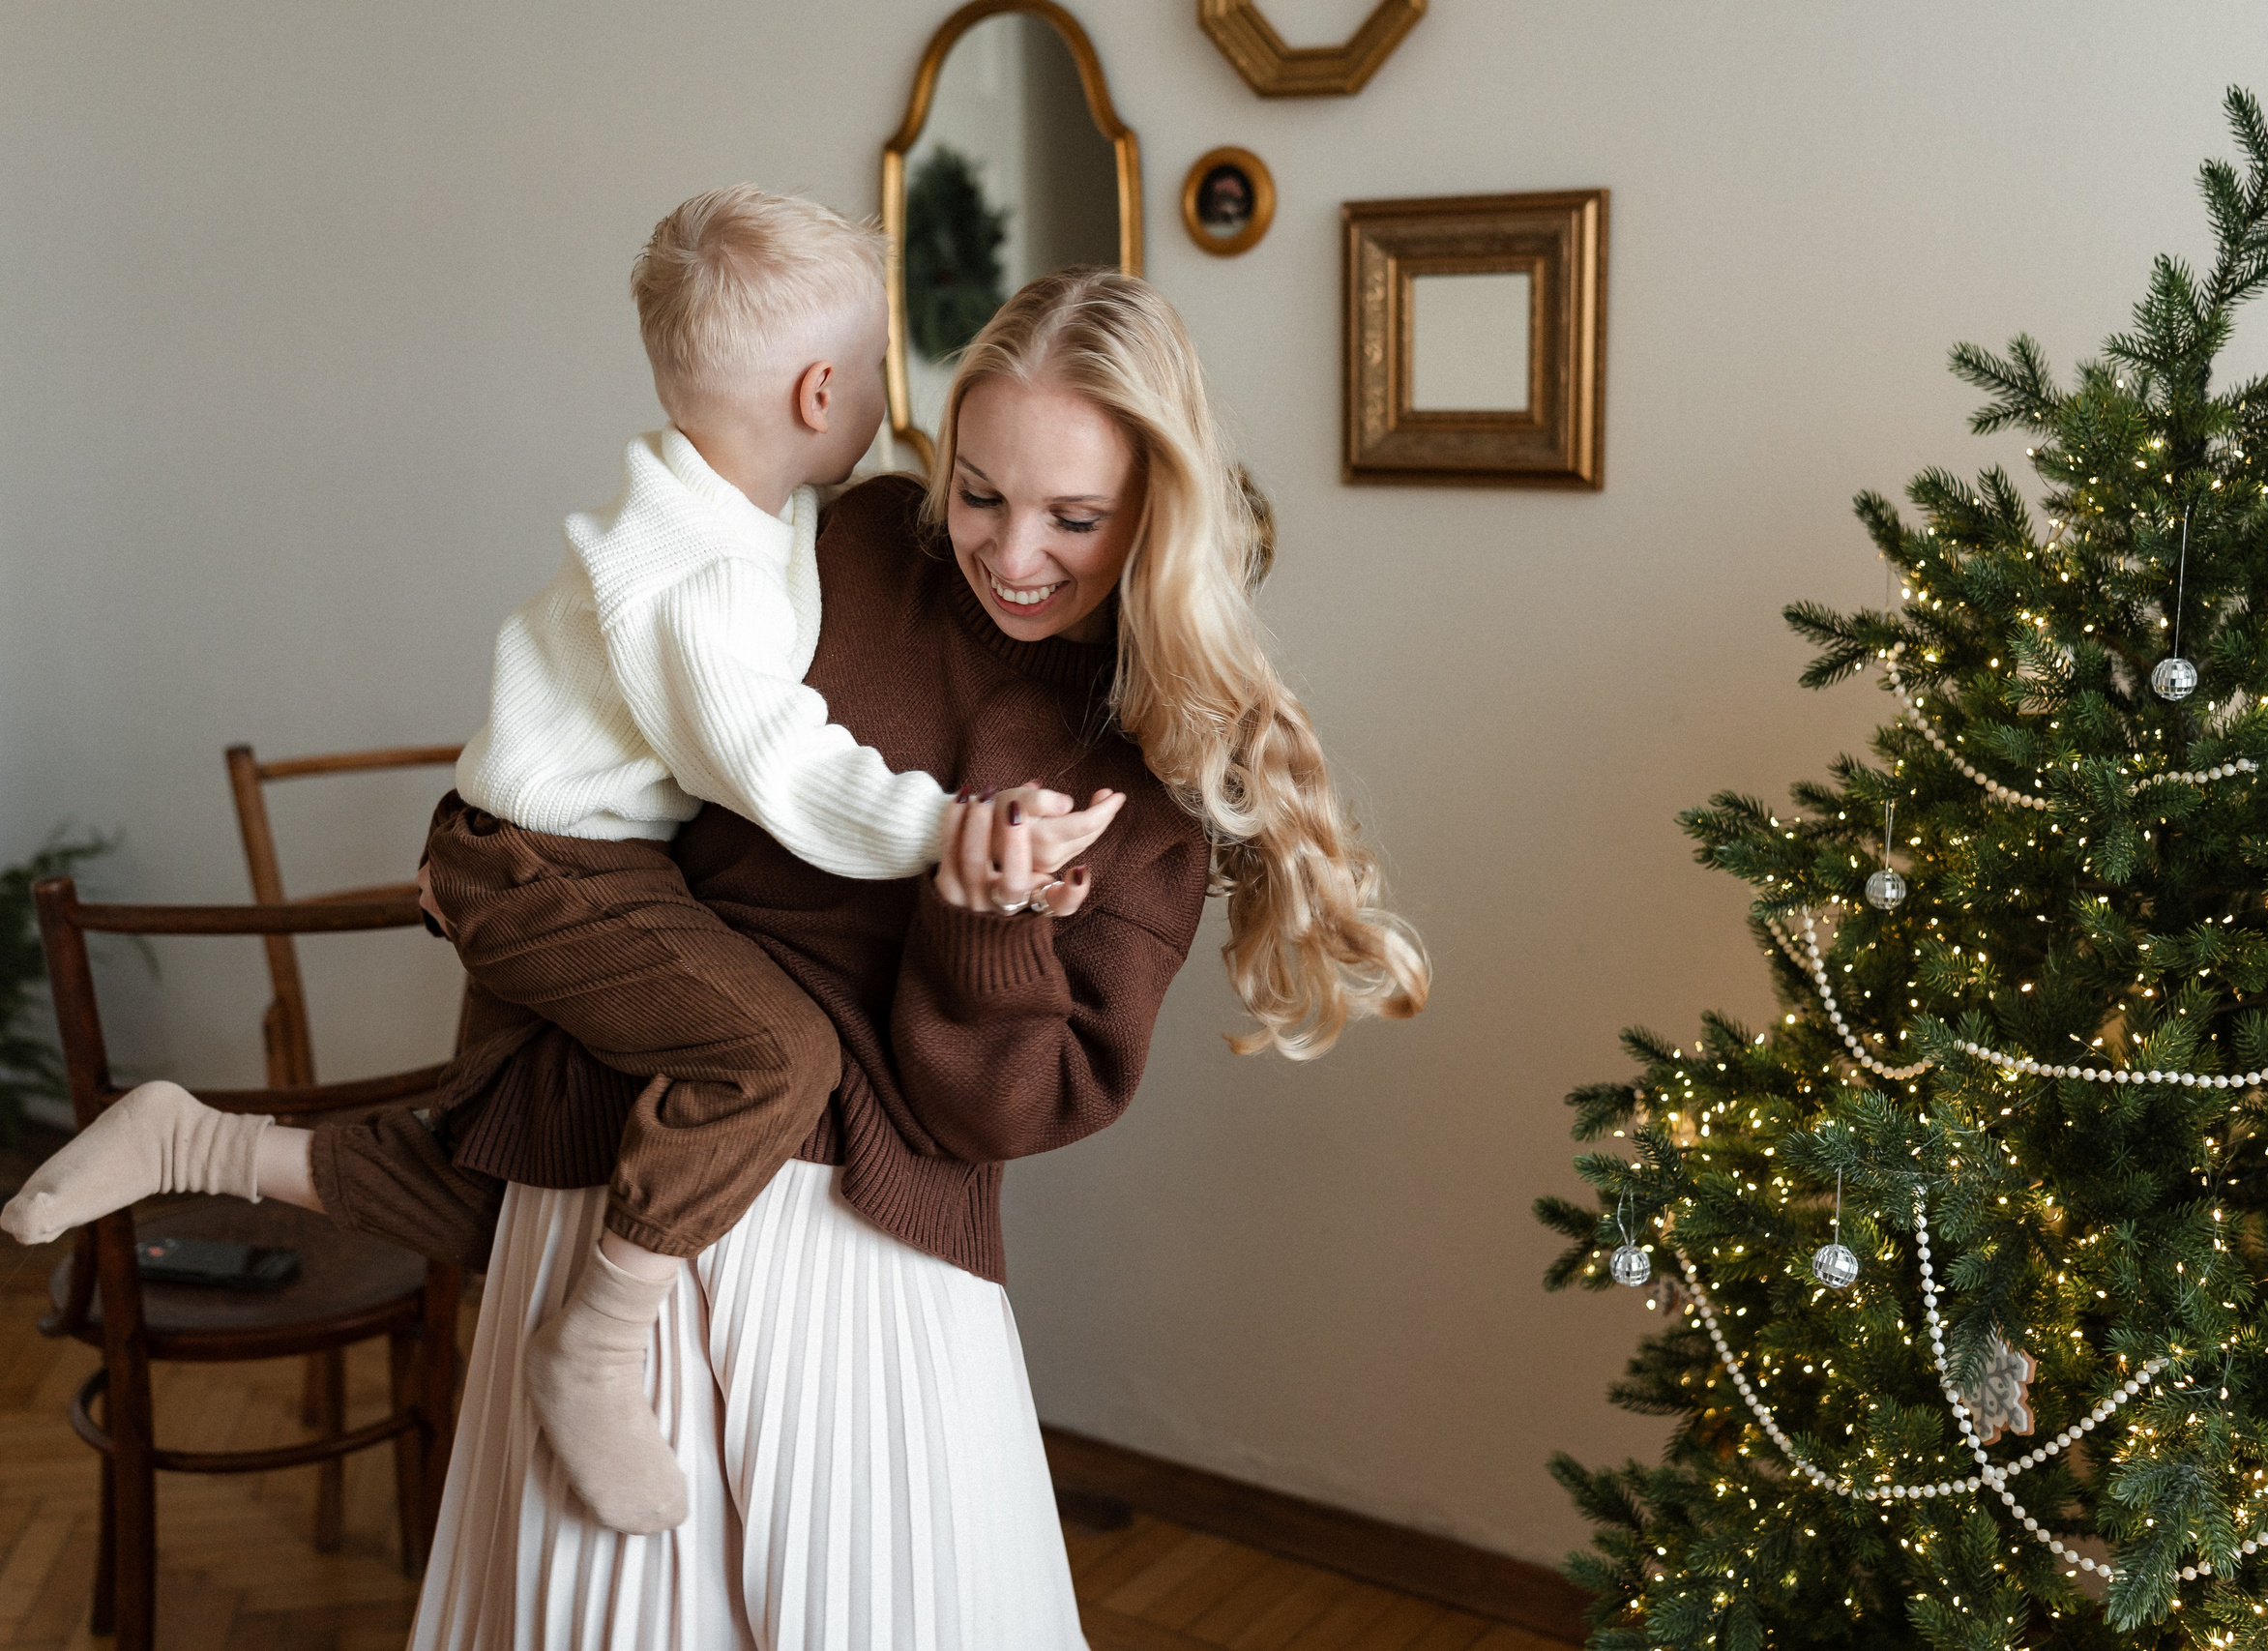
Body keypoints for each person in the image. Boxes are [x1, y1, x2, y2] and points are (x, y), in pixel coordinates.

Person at [18, 268, 1429, 1649]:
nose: (1010, 554)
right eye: (978, 492)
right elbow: (614, 743)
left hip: (863, 1261)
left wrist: (982, 926)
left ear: (1159, 514)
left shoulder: (1153, 781)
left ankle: (206, 1146)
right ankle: (207, 1148)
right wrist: (496, 872)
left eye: (1075, 518)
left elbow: (1003, 1111)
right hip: (609, 1198)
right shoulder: (848, 541)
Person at [0, 185, 1117, 1535]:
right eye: (882, 370)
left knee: (503, 1168)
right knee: (776, 1059)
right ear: (823, 392)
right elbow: (782, 767)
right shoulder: (698, 577)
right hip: (551, 864)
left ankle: (198, 1140)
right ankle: (591, 1348)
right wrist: (952, 831)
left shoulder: (748, 514)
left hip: (565, 854)